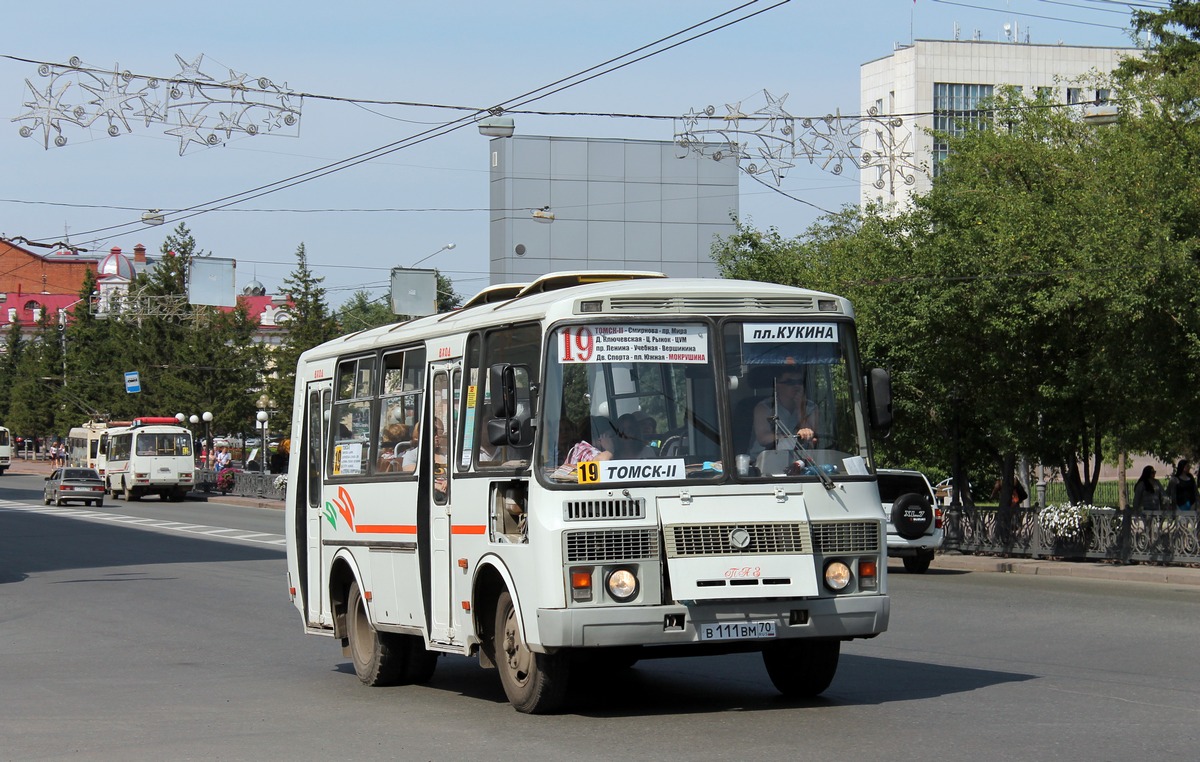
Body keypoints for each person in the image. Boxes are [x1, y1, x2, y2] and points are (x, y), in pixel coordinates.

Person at [749, 367, 820, 456]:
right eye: (790, 382)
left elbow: (811, 437)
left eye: (800, 382)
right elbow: (763, 438)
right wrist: (790, 438)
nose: (796, 386)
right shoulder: (764, 407)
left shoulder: (811, 407)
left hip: (799, 460)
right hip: (765, 462)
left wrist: (800, 408)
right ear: (777, 386)